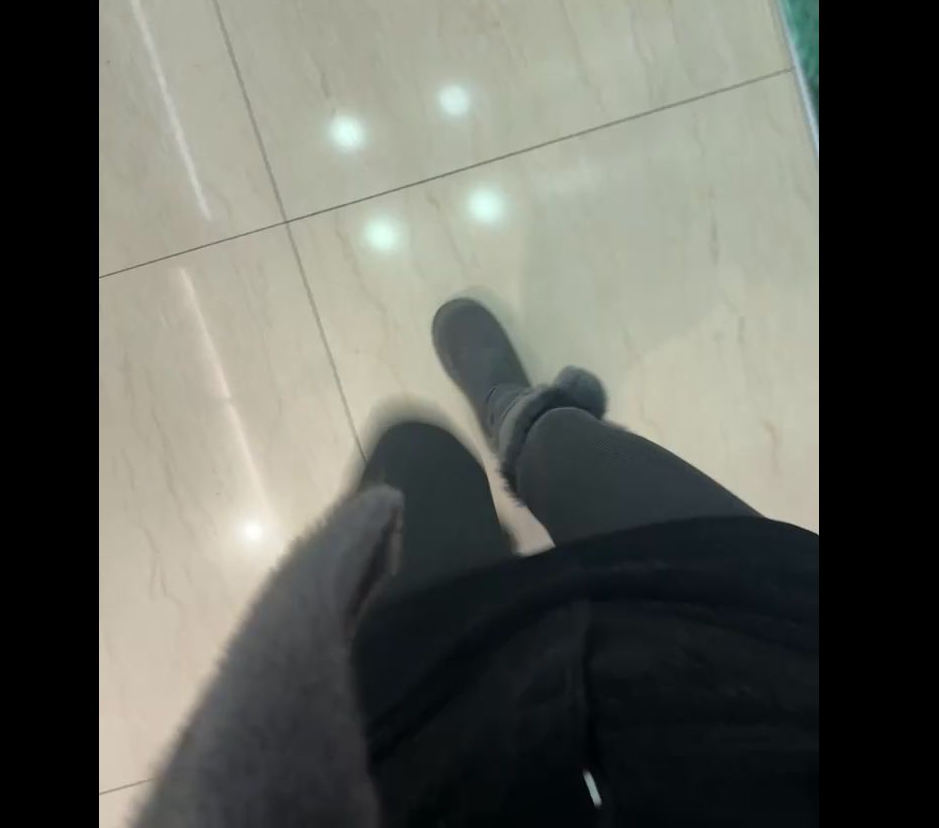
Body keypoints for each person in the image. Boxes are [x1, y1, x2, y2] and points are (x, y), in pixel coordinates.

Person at [136, 299, 819, 828]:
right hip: (759, 649)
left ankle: (515, 437)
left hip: (422, 732)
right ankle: (514, 412)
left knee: (415, 460)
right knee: (562, 445)